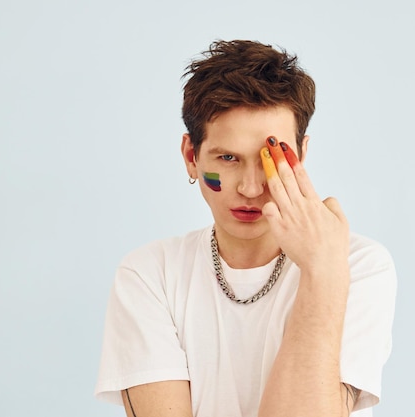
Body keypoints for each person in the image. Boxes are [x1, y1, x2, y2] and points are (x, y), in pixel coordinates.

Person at [95, 39, 397, 417]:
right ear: (191, 156)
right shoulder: (149, 275)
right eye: (228, 158)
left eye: (271, 158)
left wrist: (324, 273)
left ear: (301, 155)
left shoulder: (359, 265)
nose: (251, 188)